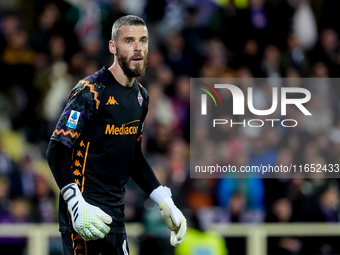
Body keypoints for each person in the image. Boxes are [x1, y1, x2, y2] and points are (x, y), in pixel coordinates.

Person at [46, 15, 186, 255]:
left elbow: (133, 157)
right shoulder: (91, 91)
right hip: (84, 218)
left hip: (116, 219)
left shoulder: (141, 97)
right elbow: (57, 149)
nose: (138, 48)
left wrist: (164, 199)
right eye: (129, 41)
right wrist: (75, 203)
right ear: (113, 46)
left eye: (143, 40)